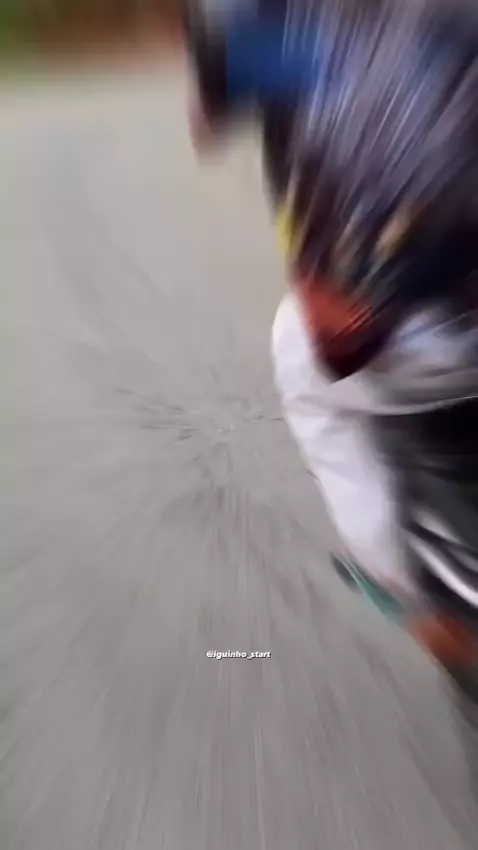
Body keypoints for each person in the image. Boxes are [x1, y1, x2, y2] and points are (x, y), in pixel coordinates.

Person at [184, 0, 478, 614]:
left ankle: (404, 588)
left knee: (303, 369)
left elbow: (206, 125)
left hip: (403, 329)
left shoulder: (266, 27)